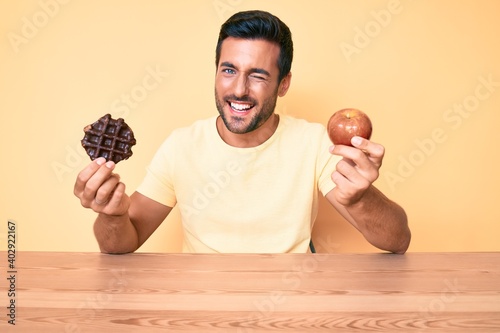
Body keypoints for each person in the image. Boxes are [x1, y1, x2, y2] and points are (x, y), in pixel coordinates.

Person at [74, 10, 411, 254]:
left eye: (258, 75)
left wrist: (362, 198)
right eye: (229, 70)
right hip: (202, 304)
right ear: (216, 71)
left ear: (283, 84)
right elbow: (121, 246)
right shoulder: (182, 146)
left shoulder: (314, 143)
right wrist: (113, 216)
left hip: (290, 301)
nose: (238, 89)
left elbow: (397, 241)